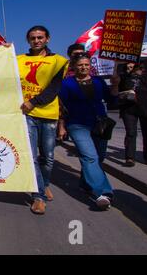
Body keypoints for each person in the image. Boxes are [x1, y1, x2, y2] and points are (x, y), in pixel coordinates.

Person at [17, 26, 69, 215]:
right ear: (28, 40)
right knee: (31, 157)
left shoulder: (59, 61)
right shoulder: (18, 60)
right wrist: (2, 52)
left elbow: (54, 88)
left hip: (48, 115)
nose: (36, 40)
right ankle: (38, 197)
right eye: (32, 38)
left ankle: (45, 183)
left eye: (40, 37)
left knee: (47, 157)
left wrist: (34, 101)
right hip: (27, 115)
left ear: (47, 38)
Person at [58, 53, 119, 210]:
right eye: (80, 65)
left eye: (86, 64)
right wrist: (61, 125)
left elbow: (112, 101)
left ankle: (85, 184)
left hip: (100, 124)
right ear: (74, 66)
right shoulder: (67, 84)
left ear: (90, 66)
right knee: (89, 157)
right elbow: (61, 106)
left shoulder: (98, 82)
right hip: (77, 124)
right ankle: (103, 193)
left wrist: (115, 86)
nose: (83, 67)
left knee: (99, 157)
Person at [118, 63, 147, 167]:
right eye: (128, 68)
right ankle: (130, 158)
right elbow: (117, 91)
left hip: (145, 109)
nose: (130, 69)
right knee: (131, 133)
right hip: (129, 110)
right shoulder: (123, 78)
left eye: (132, 67)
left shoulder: (146, 78)